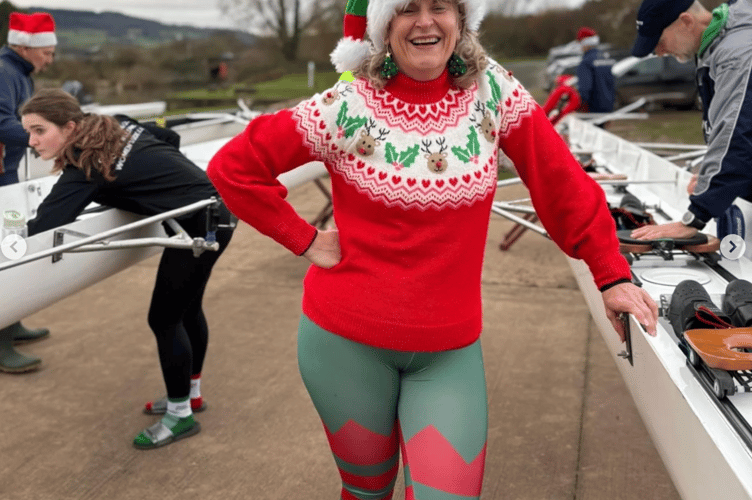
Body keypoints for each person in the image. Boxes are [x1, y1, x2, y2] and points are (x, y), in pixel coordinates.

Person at [207, 0, 657, 498]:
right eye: (405, 9)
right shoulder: (346, 106)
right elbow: (233, 168)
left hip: (448, 354)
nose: (424, 21)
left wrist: (611, 274)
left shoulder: (494, 93)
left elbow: (561, 183)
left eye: (439, 6)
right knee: (366, 492)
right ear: (384, 26)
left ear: (461, 19)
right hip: (343, 344)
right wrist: (305, 239)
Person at [20, 88, 234, 449]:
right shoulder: (117, 125)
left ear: (70, 126)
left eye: (39, 130)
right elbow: (168, 137)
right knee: (186, 309)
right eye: (28, 131)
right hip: (217, 213)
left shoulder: (85, 167)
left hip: (198, 227)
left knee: (164, 318)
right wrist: (154, 184)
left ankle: (181, 415)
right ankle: (190, 395)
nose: (31, 141)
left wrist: (10, 230)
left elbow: (43, 226)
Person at [629, 0, 752, 242]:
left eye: (660, 42)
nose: (660, 52)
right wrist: (711, 176)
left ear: (686, 22)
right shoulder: (715, 46)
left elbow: (737, 136)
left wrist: (695, 216)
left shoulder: (737, 53)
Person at [0, 12, 58, 373]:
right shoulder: (4, 73)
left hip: (9, 176)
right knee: (6, 254)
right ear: (25, 46)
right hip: (1, 180)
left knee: (13, 245)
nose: (50, 59)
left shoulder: (18, 73)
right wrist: (48, 138)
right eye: (47, 52)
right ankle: (1, 341)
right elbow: (2, 123)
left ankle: (13, 321)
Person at [575, 26, 616, 114]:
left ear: (584, 43)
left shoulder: (586, 62)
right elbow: (612, 84)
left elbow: (585, 88)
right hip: (607, 107)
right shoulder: (605, 58)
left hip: (592, 109)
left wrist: (581, 106)